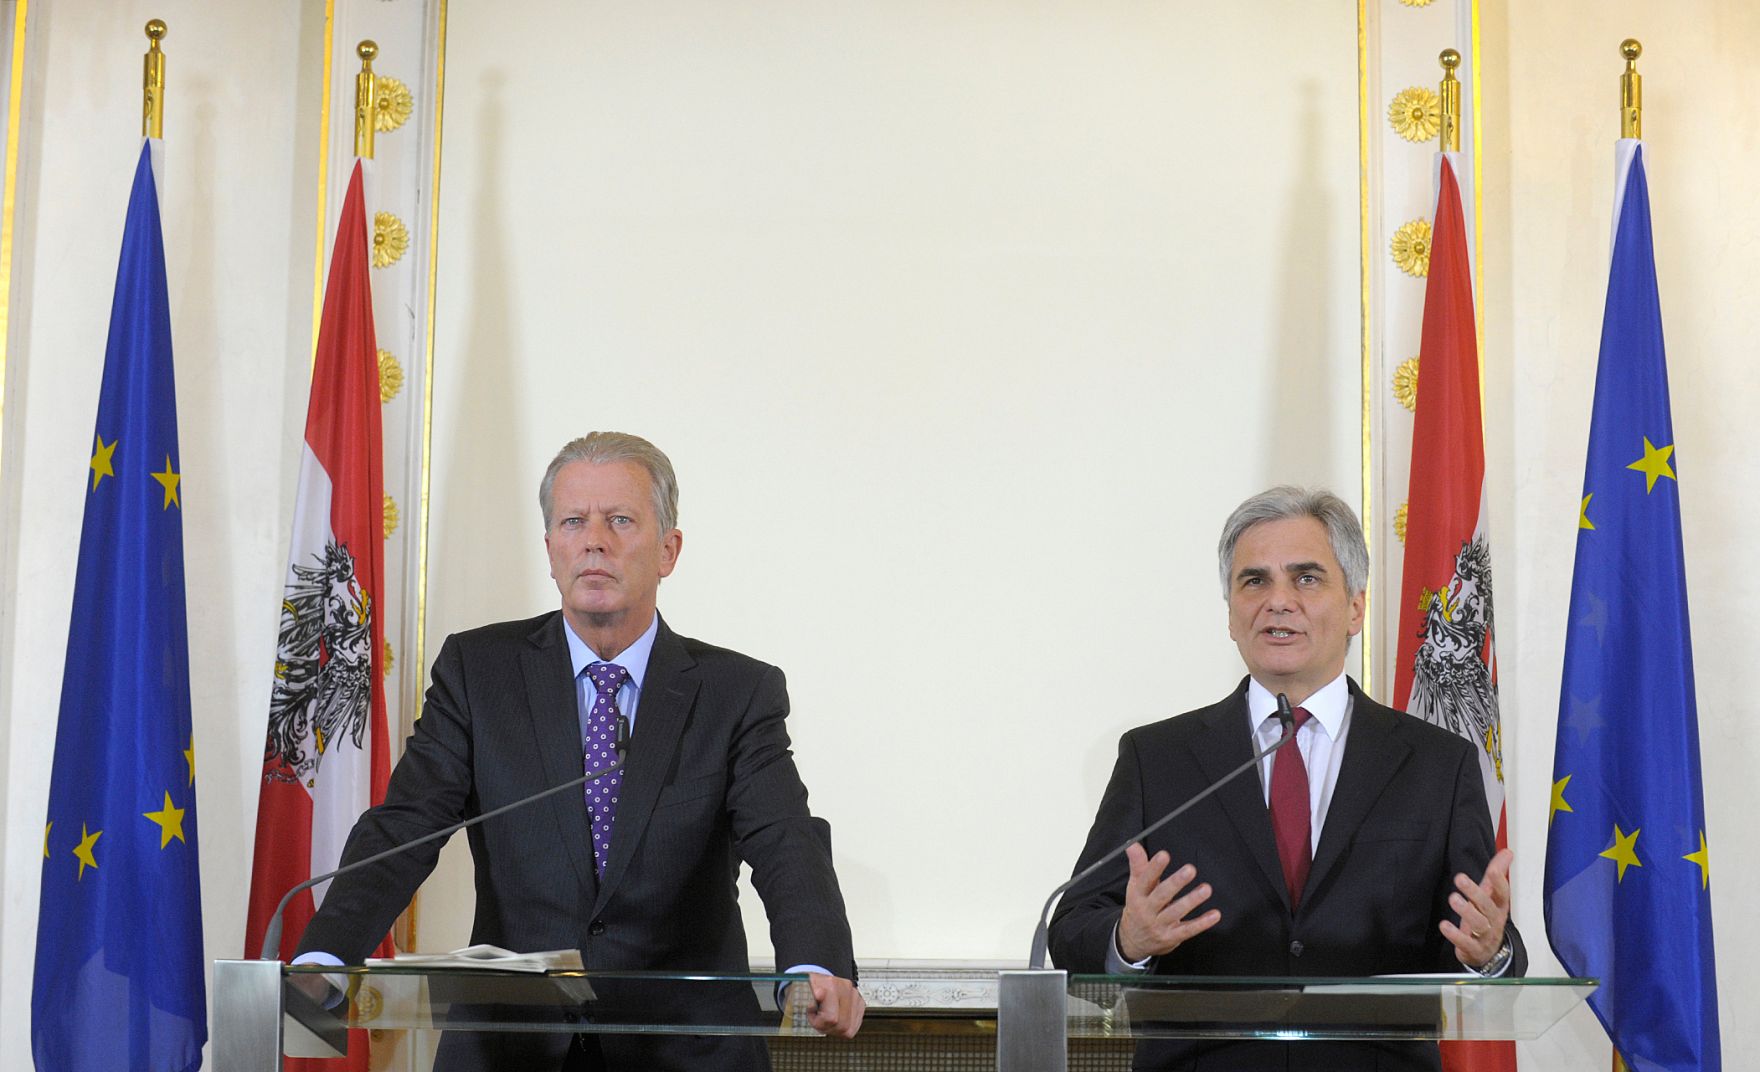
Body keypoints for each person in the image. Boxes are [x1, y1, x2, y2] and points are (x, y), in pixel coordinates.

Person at [296, 432, 862, 1071]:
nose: (595, 539)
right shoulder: (479, 673)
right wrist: (326, 955)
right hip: (513, 1051)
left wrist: (813, 961)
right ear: (550, 550)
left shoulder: (736, 692)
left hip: (684, 1052)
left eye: (620, 520)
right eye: (573, 521)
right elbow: (407, 825)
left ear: (669, 549)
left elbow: (785, 839)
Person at [1047, 486, 1524, 1072]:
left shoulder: (1437, 764)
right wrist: (1127, 941)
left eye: (1305, 579)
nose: (1278, 601)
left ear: (1354, 606)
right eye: (1254, 581)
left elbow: (1484, 936)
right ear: (1229, 613)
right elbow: (1071, 925)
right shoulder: (1158, 757)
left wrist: (1489, 953)